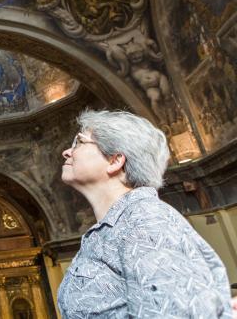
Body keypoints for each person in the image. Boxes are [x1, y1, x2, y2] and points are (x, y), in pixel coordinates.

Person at [57, 109, 231, 318]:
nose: (67, 151)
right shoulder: (117, 227)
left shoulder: (146, 223)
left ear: (115, 160)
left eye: (79, 142)